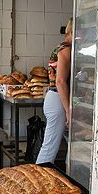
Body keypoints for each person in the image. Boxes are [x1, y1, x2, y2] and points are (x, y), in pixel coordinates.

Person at [36, 18, 73, 164]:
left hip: (54, 98)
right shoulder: (66, 50)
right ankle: (39, 178)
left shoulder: (60, 47)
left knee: (52, 143)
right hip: (58, 100)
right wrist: (68, 110)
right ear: (71, 31)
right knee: (50, 146)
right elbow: (60, 81)